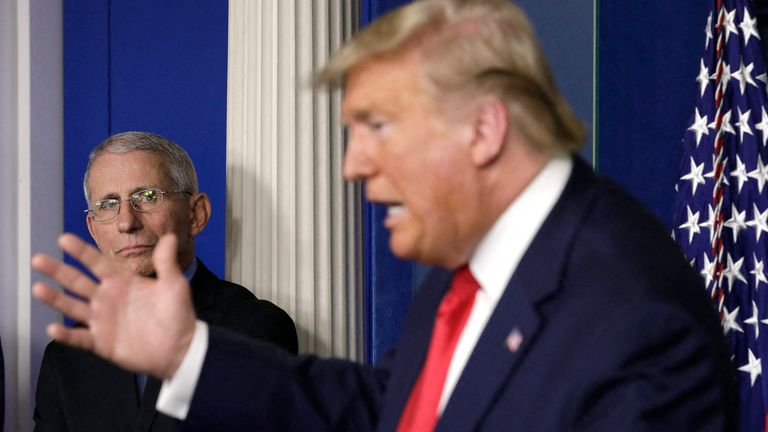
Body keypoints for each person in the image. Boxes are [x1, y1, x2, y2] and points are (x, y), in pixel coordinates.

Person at [32, 1, 736, 430]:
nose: (352, 164)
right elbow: (385, 411)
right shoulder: (465, 279)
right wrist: (190, 355)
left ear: (483, 130)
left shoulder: (633, 312)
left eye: (378, 127)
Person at [32, 132, 298, 431]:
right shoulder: (66, 357)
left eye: (147, 197)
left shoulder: (255, 329)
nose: (126, 222)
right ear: (93, 230)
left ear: (196, 214)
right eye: (108, 204)